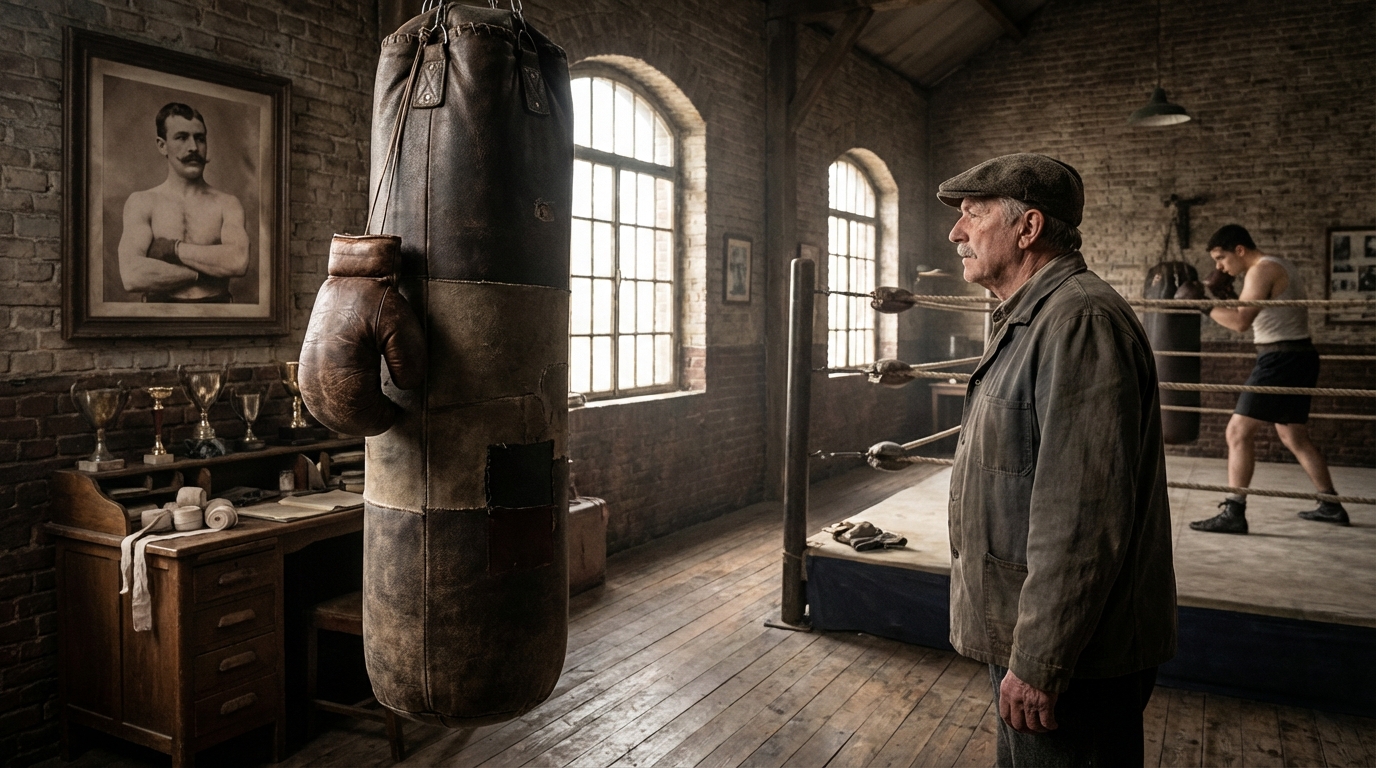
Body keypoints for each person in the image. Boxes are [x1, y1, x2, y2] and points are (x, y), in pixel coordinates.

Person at [938, 153, 1177, 767]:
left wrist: (1041, 659)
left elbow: (1082, 514)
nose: (956, 233)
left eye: (972, 214)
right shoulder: (1034, 316)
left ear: (1028, 227)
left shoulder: (1079, 321)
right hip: (1038, 637)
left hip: (1072, 658)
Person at [1187, 224, 1349, 533]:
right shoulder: (1275, 264)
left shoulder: (1261, 270)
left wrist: (1203, 305)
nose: (1219, 267)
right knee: (1294, 437)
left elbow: (1239, 323)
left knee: (1236, 432)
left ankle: (1234, 512)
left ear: (1240, 250)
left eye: (1221, 258)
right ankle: (1330, 504)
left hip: (1281, 359)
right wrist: (1228, 296)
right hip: (1298, 356)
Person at [117, 102, 250, 303]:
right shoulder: (142, 202)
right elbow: (132, 276)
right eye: (181, 137)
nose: (194, 148)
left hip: (216, 316)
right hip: (158, 317)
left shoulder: (227, 204)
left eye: (200, 139)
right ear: (162, 145)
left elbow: (238, 261)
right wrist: (204, 273)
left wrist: (172, 249)